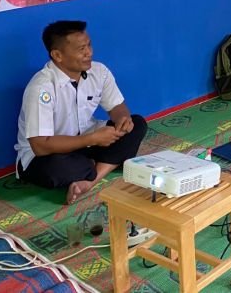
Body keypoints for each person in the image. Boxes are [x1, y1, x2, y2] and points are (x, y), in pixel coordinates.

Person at [15, 21, 147, 204]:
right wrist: (92, 140)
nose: (89, 53)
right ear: (57, 55)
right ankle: (97, 166)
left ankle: (89, 179)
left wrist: (122, 120)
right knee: (59, 168)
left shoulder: (99, 71)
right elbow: (40, 145)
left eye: (89, 45)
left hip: (86, 143)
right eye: (81, 49)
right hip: (46, 155)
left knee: (137, 124)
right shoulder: (41, 87)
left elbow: (117, 107)